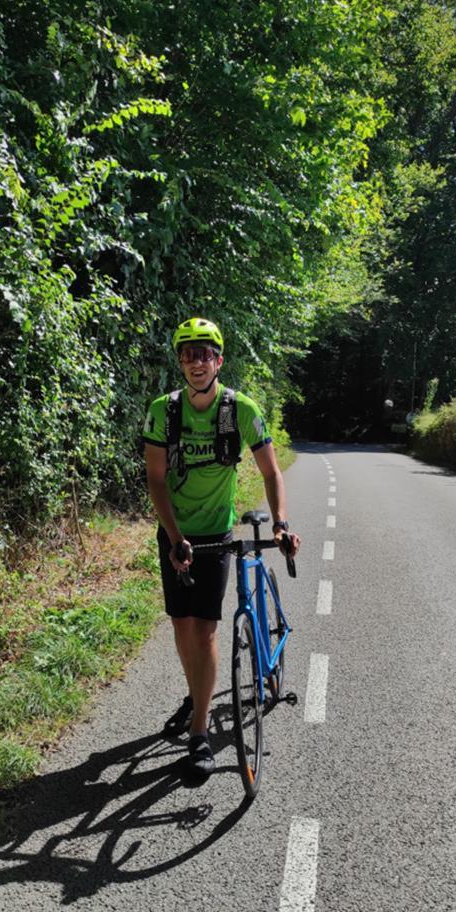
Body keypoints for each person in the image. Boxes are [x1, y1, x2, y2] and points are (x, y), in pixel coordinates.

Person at [143, 317, 301, 777]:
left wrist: (281, 524)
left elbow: (272, 473)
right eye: (188, 354)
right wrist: (174, 537)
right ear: (180, 361)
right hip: (175, 532)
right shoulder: (163, 411)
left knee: (206, 630)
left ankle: (198, 735)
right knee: (180, 625)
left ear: (219, 360)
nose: (197, 362)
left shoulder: (241, 410)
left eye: (205, 353)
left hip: (216, 531)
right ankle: (198, 693)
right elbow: (156, 479)